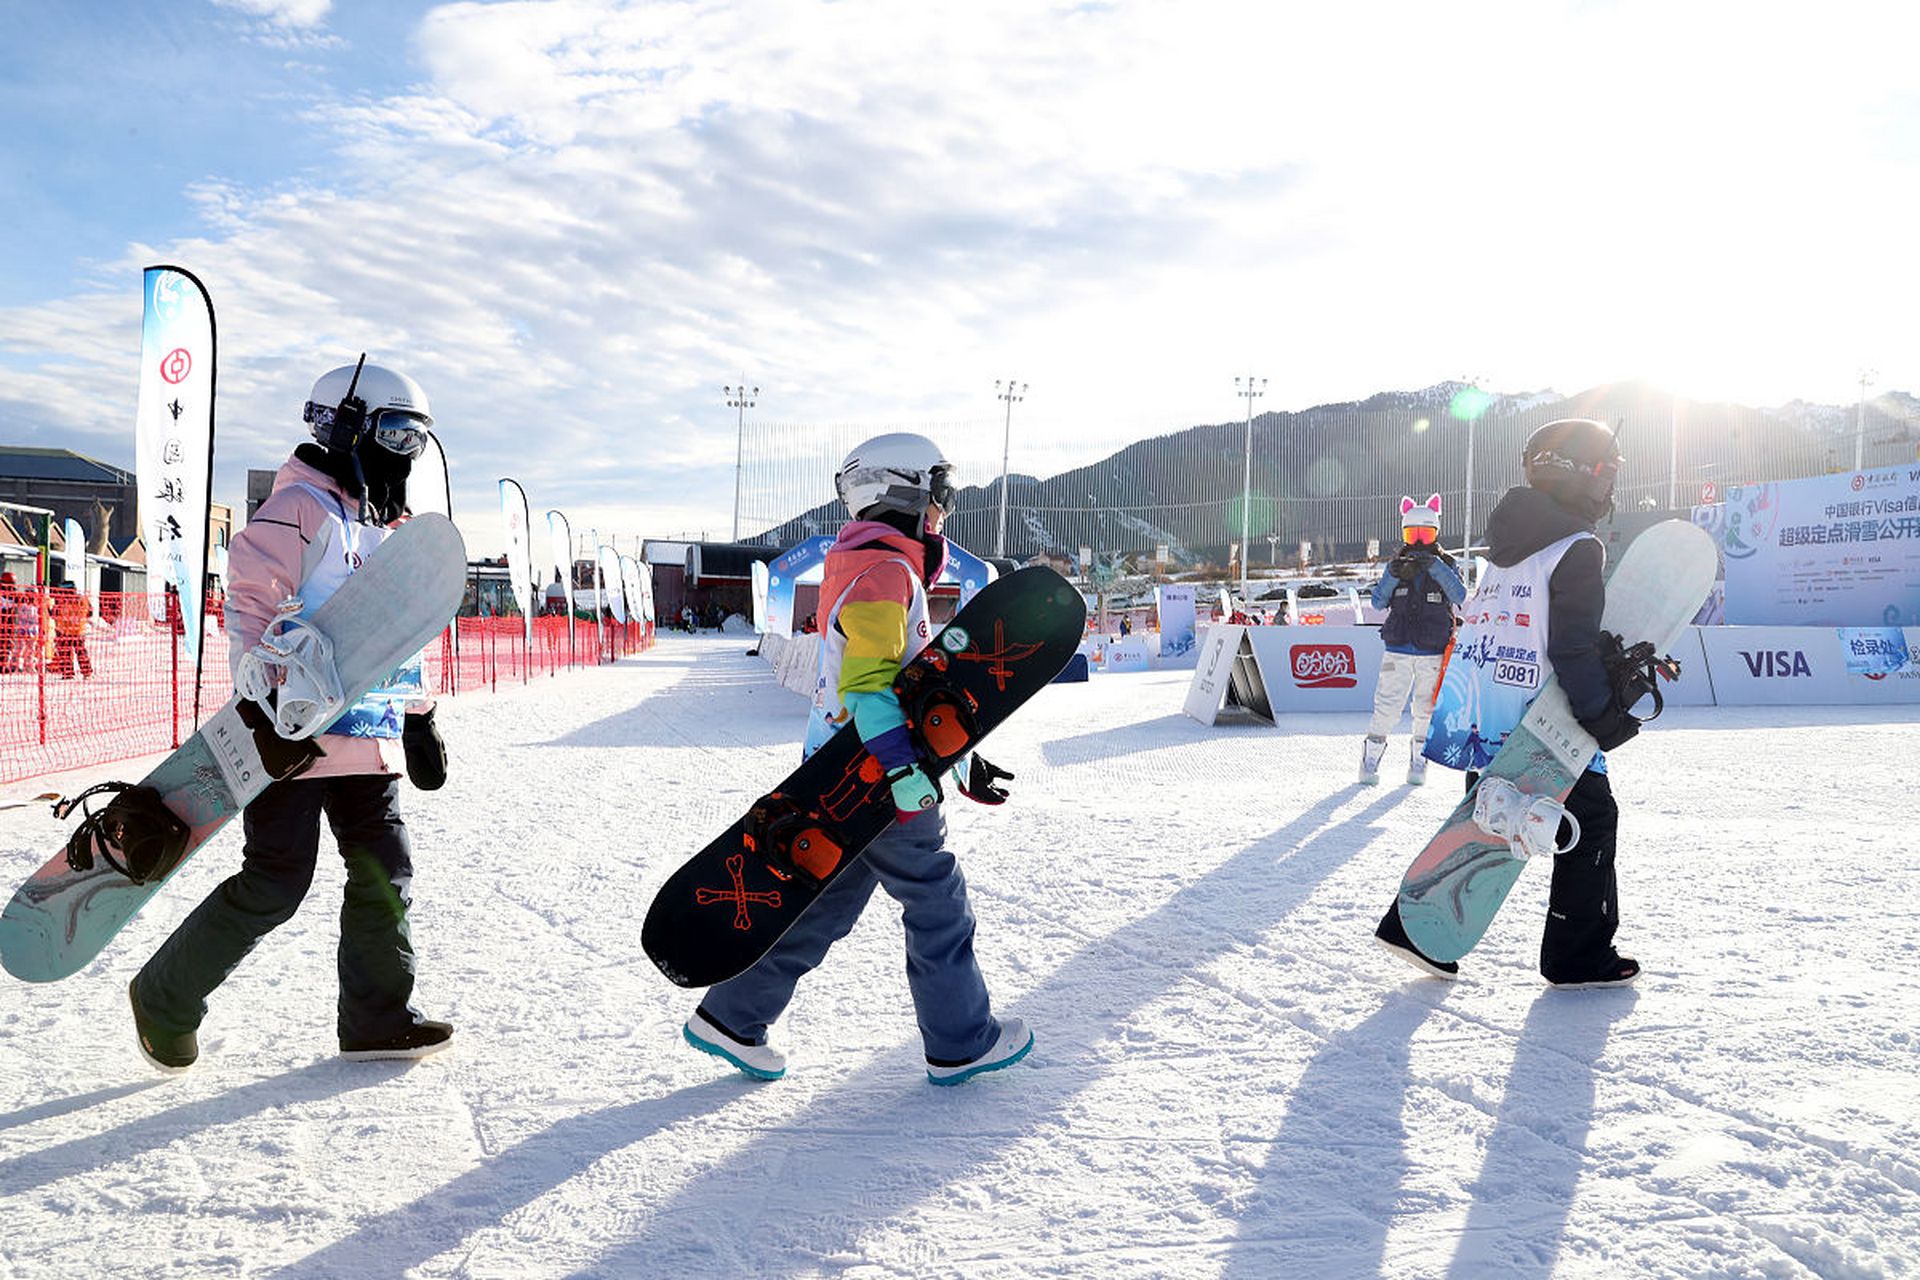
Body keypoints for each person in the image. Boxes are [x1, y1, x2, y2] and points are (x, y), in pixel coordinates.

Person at [128, 358, 454, 1072]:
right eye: (394, 433)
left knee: (385, 875)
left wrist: (420, 716)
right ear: (346, 426)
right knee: (276, 883)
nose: (405, 453)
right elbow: (250, 601)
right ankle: (164, 997)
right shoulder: (301, 508)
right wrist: (262, 693)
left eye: (417, 439)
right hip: (294, 737)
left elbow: (401, 633)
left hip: (367, 738)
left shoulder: (385, 525)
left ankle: (377, 1019)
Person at [682, 432, 1031, 1086]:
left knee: (825, 908)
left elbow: (909, 686)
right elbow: (869, 688)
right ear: (905, 489)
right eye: (942, 491)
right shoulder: (886, 572)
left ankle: (733, 1017)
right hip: (878, 777)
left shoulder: (861, 562)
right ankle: (961, 1041)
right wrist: (903, 770)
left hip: (842, 771)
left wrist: (961, 759)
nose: (945, 508)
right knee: (937, 900)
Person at [1374, 419, 1643, 988]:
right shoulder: (1577, 547)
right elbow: (1570, 647)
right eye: (1609, 473)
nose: (1611, 487)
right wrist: (1603, 716)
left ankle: (1413, 927)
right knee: (1592, 819)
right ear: (1588, 474)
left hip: (1484, 709)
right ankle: (1577, 956)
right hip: (1542, 720)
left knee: (1489, 820)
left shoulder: (1508, 546)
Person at [1360, 494, 1464, 785]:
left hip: (1432, 649)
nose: (1418, 542)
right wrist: (1393, 575)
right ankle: (1370, 760)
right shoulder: (1396, 564)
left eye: (1425, 534)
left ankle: (1419, 761)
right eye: (1412, 535)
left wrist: (1436, 567)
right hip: (1399, 647)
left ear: (1436, 532)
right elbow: (1378, 602)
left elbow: (1459, 595)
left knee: (1426, 709)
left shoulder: (1447, 563)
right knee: (1387, 706)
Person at [49, 583, 94, 679]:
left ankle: (68, 673)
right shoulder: (83, 600)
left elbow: (54, 614)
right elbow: (90, 613)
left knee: (65, 653)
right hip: (78, 631)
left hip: (64, 631)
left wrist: (48, 609)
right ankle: (87, 672)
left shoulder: (61, 602)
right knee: (81, 652)